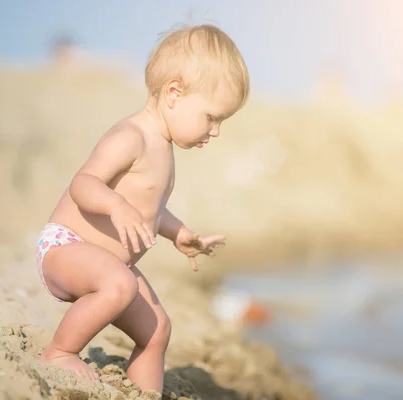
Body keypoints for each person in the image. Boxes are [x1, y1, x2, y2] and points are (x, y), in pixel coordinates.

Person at [35, 24, 250, 393]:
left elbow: (151, 209)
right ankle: (59, 352)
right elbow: (83, 184)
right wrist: (115, 206)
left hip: (110, 266)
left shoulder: (163, 148)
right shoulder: (131, 136)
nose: (214, 132)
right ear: (173, 94)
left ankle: (145, 393)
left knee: (157, 330)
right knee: (118, 284)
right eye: (212, 117)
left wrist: (179, 233)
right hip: (65, 247)